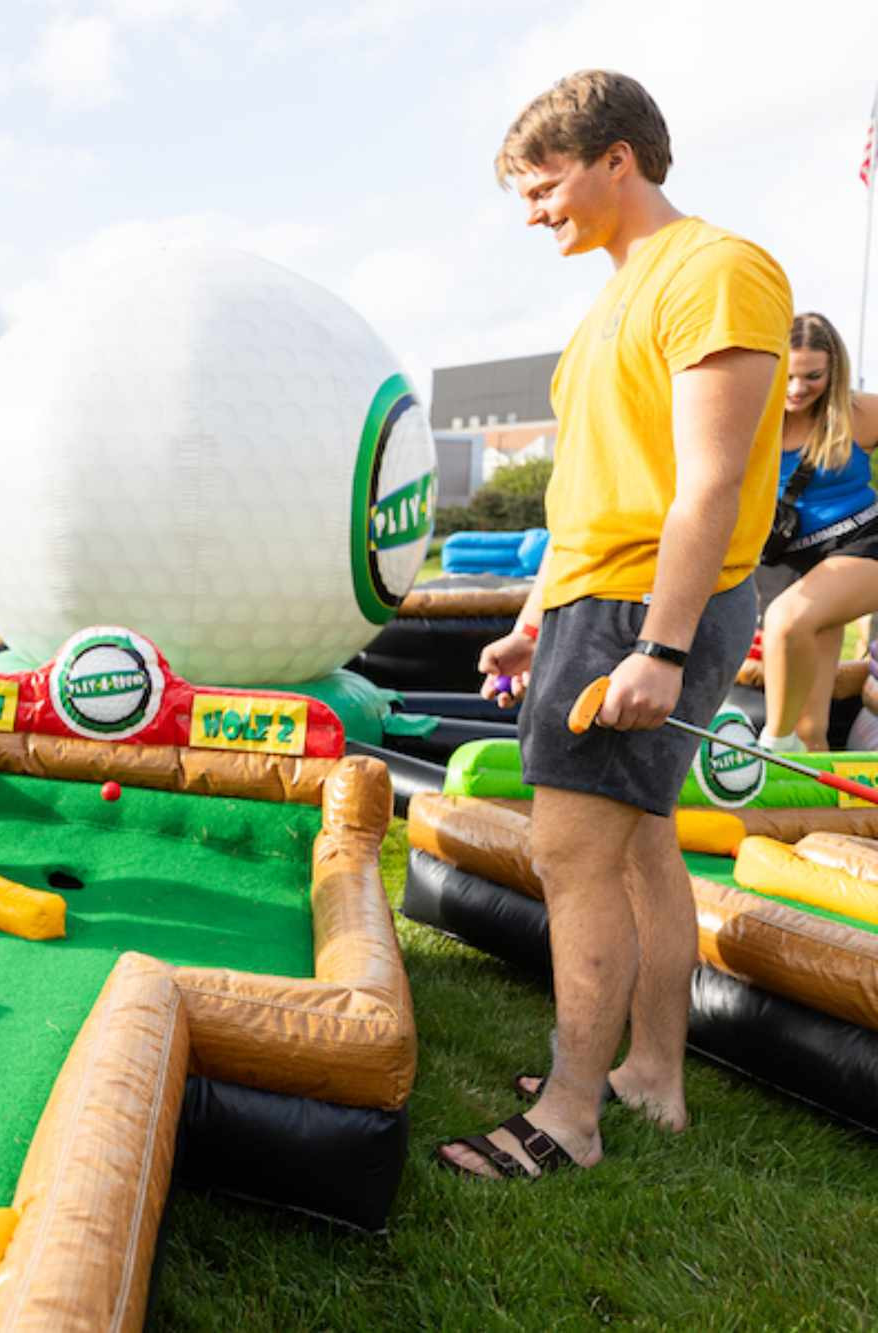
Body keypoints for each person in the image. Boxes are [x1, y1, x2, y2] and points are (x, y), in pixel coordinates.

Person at [447, 70, 791, 1181]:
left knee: (569, 852)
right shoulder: (608, 301)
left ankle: (568, 1117)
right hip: (594, 602)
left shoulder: (715, 272)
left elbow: (705, 482)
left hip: (648, 605)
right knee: (637, 843)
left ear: (616, 160)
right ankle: (647, 1076)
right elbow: (588, 492)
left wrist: (659, 644)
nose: (531, 210)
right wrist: (532, 620)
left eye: (541, 185)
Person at [755, 312, 878, 751]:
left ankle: (772, 744)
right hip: (785, 563)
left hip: (860, 544)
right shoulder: (748, 419)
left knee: (786, 622)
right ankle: (817, 811)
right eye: (786, 375)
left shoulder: (859, 414)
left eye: (813, 376)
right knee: (811, 729)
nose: (796, 389)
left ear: (834, 370)